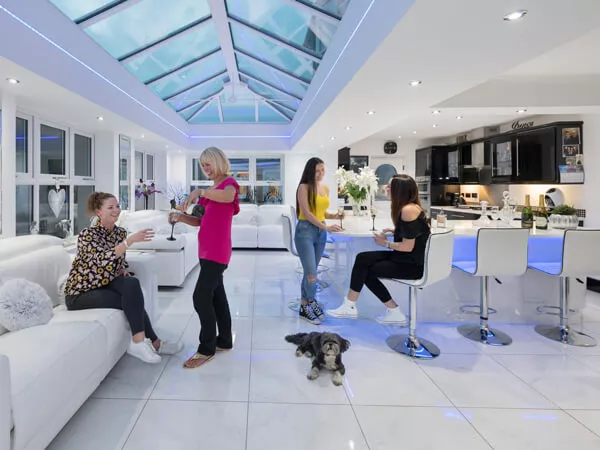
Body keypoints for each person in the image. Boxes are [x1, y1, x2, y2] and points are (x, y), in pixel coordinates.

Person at [64, 192, 182, 364]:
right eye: (110, 207)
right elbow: (101, 260)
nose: (116, 210)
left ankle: (146, 343)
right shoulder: (87, 235)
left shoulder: (119, 233)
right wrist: (129, 242)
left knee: (131, 284)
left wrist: (122, 270)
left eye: (117, 206)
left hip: (104, 284)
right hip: (81, 293)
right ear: (99, 212)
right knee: (132, 300)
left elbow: (118, 261)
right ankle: (145, 343)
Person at [327, 174, 431, 323]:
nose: (386, 188)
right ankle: (351, 306)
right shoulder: (411, 207)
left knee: (366, 270)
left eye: (389, 186)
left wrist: (385, 243)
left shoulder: (408, 210)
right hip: (405, 259)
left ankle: (388, 310)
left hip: (412, 265)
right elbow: (415, 235)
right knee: (363, 258)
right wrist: (396, 232)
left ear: (398, 190)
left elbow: (408, 247)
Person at [175, 147, 239, 368]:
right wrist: (180, 217)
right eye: (202, 166)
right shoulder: (211, 191)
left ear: (219, 161)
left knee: (200, 297)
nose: (206, 169)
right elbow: (198, 221)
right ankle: (224, 341)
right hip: (205, 250)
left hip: (218, 251)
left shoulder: (228, 184)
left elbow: (229, 196)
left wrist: (199, 192)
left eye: (208, 164)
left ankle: (206, 349)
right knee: (216, 296)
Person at [295, 157, 343, 324]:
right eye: (317, 170)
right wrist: (326, 228)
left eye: (323, 170)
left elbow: (321, 212)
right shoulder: (304, 187)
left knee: (312, 270)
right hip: (305, 232)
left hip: (320, 232)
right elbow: (307, 214)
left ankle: (305, 304)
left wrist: (334, 216)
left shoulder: (325, 188)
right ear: (310, 171)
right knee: (311, 273)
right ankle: (311, 302)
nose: (321, 173)